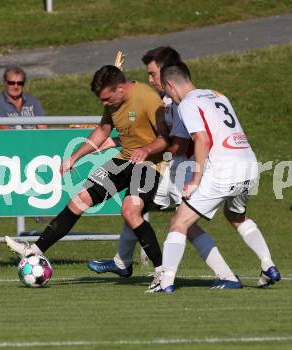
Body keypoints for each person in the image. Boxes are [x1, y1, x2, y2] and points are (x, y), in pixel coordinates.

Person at [87, 46, 242, 290]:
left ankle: (217, 276)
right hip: (170, 169)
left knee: (180, 223)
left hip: (181, 170)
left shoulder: (181, 103)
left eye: (152, 74)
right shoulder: (166, 100)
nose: (149, 79)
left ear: (167, 73)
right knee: (134, 208)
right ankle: (123, 261)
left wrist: (153, 152)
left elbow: (179, 144)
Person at [4, 65, 168, 281]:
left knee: (130, 211)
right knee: (79, 200)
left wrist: (146, 149)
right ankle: (34, 250)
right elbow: (102, 130)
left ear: (120, 88)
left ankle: (161, 272)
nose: (105, 104)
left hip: (151, 162)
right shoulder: (111, 102)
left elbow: (168, 138)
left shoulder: (147, 98)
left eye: (107, 99)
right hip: (124, 159)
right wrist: (75, 157)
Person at [152, 62, 281, 293]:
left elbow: (202, 140)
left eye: (166, 90)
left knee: (179, 222)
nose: (168, 96)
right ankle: (267, 264)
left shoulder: (188, 104)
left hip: (224, 168)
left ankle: (166, 282)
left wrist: (195, 179)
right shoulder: (217, 95)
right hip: (249, 164)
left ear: (170, 85)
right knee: (235, 215)